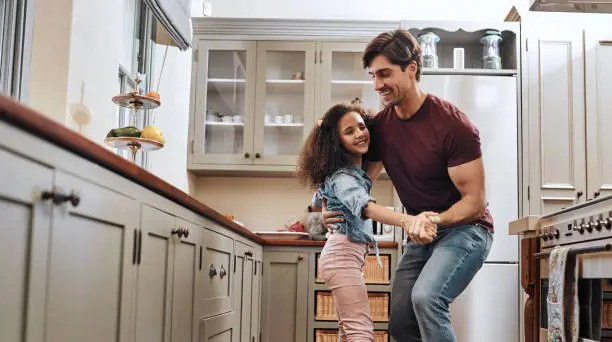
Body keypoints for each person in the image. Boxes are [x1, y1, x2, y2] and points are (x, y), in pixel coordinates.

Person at [321, 29, 494, 342]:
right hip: (420, 235)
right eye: (373, 75)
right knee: (400, 319)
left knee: (426, 298)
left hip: (467, 229)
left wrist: (433, 219)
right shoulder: (382, 127)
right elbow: (359, 189)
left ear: (411, 67)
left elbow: (475, 202)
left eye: (385, 74)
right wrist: (328, 213)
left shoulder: (454, 126)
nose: (377, 85)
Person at [297, 103, 437, 342]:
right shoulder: (342, 177)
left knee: (348, 331)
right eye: (349, 131)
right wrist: (408, 220)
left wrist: (322, 209)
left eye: (362, 127)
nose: (360, 133)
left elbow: (322, 197)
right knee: (360, 332)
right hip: (341, 256)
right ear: (336, 141)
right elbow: (366, 208)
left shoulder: (355, 173)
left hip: (346, 257)